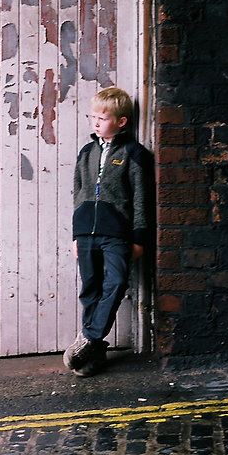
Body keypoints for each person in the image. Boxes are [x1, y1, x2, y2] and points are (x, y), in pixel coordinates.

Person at [64, 86, 151, 377]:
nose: (96, 122)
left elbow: (140, 198)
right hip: (87, 233)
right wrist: (77, 235)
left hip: (117, 233)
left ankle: (88, 337)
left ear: (121, 121)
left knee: (114, 284)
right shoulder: (86, 153)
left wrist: (138, 237)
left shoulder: (134, 153)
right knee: (90, 288)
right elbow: (78, 193)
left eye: (103, 117)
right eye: (93, 117)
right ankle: (92, 356)